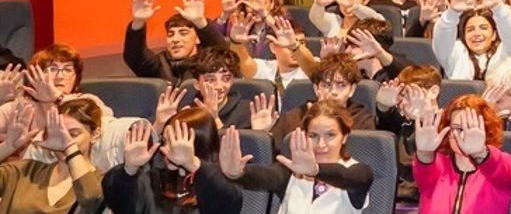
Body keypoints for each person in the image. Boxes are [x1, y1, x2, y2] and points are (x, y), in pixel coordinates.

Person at [219, 105, 375, 214]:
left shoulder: (357, 172)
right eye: (313, 136)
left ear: (344, 137)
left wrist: (316, 171)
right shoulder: (292, 170)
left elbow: (350, 178)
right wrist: (238, 173)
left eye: (330, 135)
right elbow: (266, 176)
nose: (320, 144)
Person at [104, 107, 240, 214]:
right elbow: (118, 203)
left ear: (197, 144)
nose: (164, 149)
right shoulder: (153, 179)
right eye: (164, 140)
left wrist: (191, 163)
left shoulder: (217, 182)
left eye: (174, 142)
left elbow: (229, 203)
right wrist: (129, 169)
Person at [413, 95, 511, 214]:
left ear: (485, 130)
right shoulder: (438, 165)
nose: (462, 135)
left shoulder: (502, 163)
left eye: (469, 128)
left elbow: (499, 168)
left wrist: (479, 152)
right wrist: (424, 152)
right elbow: (424, 168)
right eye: (456, 128)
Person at [0, 100, 104, 214]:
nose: (64, 140)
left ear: (95, 134)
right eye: (59, 134)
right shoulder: (24, 171)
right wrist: (7, 146)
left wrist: (70, 148)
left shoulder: (102, 182)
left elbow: (90, 200)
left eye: (73, 134)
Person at [431, 0, 511, 80]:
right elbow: (441, 38)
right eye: (470, 30)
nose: (476, 34)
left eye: (483, 28)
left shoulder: (507, 52)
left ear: (494, 34)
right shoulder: (455, 52)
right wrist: (452, 12)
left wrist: (497, 8)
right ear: (464, 36)